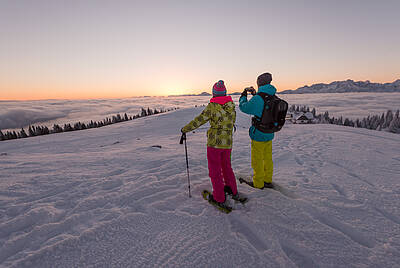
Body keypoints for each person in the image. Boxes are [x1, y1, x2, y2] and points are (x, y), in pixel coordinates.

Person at [181, 80, 241, 207]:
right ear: (225, 93)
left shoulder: (212, 107)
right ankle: (232, 190)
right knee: (226, 167)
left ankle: (219, 198)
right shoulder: (231, 106)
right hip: (227, 143)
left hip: (214, 144)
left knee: (215, 171)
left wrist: (185, 129)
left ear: (214, 93)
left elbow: (199, 121)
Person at [239, 72, 276, 189]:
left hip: (259, 134)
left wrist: (243, 96)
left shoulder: (259, 98)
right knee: (267, 158)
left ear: (259, 83)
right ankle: (267, 179)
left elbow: (244, 107)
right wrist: (256, 95)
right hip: (269, 133)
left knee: (257, 160)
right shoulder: (273, 96)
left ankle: (258, 183)